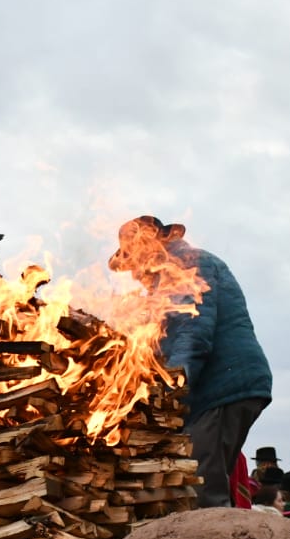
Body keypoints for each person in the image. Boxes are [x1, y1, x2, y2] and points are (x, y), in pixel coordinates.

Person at [107, 215, 274, 508]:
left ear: (151, 244)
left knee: (201, 488)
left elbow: (193, 334)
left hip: (221, 390)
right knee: (203, 482)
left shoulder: (186, 265)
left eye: (134, 261)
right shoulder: (173, 274)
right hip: (223, 388)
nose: (133, 273)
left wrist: (171, 390)